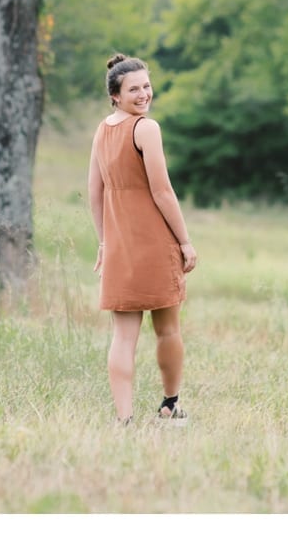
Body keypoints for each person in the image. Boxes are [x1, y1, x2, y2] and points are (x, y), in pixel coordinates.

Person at [87, 53, 199, 425]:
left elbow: (94, 192)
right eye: (133, 89)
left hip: (120, 247)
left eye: (146, 86)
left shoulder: (102, 130)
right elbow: (163, 191)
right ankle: (170, 406)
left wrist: (105, 243)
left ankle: (124, 419)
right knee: (167, 329)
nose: (143, 94)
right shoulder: (146, 129)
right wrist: (184, 242)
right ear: (115, 95)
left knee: (123, 337)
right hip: (154, 242)